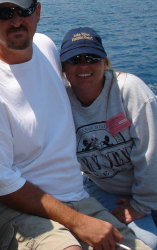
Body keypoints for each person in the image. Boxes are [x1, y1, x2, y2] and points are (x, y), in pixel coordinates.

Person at [0, 0, 151, 250]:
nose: (16, 20)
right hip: (1, 202)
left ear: (38, 12)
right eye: (4, 13)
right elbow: (0, 179)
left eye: (24, 9)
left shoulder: (45, 46)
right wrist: (78, 223)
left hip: (71, 197)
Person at [60, 27, 157, 249]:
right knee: (148, 242)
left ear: (105, 62)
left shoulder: (130, 90)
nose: (83, 65)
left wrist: (140, 206)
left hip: (149, 187)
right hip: (106, 188)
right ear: (63, 67)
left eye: (92, 58)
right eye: (74, 59)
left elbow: (151, 154)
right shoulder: (59, 99)